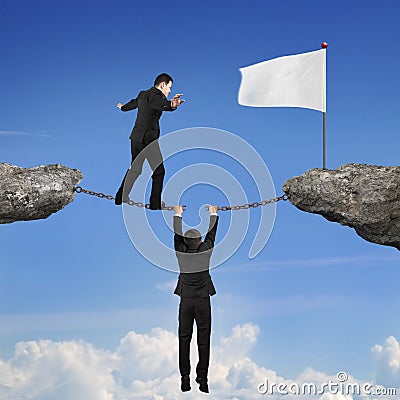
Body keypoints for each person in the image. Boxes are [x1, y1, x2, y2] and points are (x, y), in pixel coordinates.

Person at [115, 73, 184, 209]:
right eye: (169, 87)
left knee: (135, 169)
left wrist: (122, 107)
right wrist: (172, 105)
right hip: (149, 140)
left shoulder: (143, 94)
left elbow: (133, 103)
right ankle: (155, 204)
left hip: (136, 137)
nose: (169, 90)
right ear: (163, 85)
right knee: (159, 172)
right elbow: (160, 104)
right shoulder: (156, 96)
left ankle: (120, 197)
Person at [173, 205, 219, 393]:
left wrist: (178, 213)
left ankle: (185, 378)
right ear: (200, 241)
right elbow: (212, 234)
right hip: (202, 301)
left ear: (184, 243)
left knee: (184, 339)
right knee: (203, 339)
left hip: (185, 301)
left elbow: (176, 235)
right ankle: (203, 378)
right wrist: (213, 212)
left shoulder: (180, 252)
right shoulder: (205, 250)